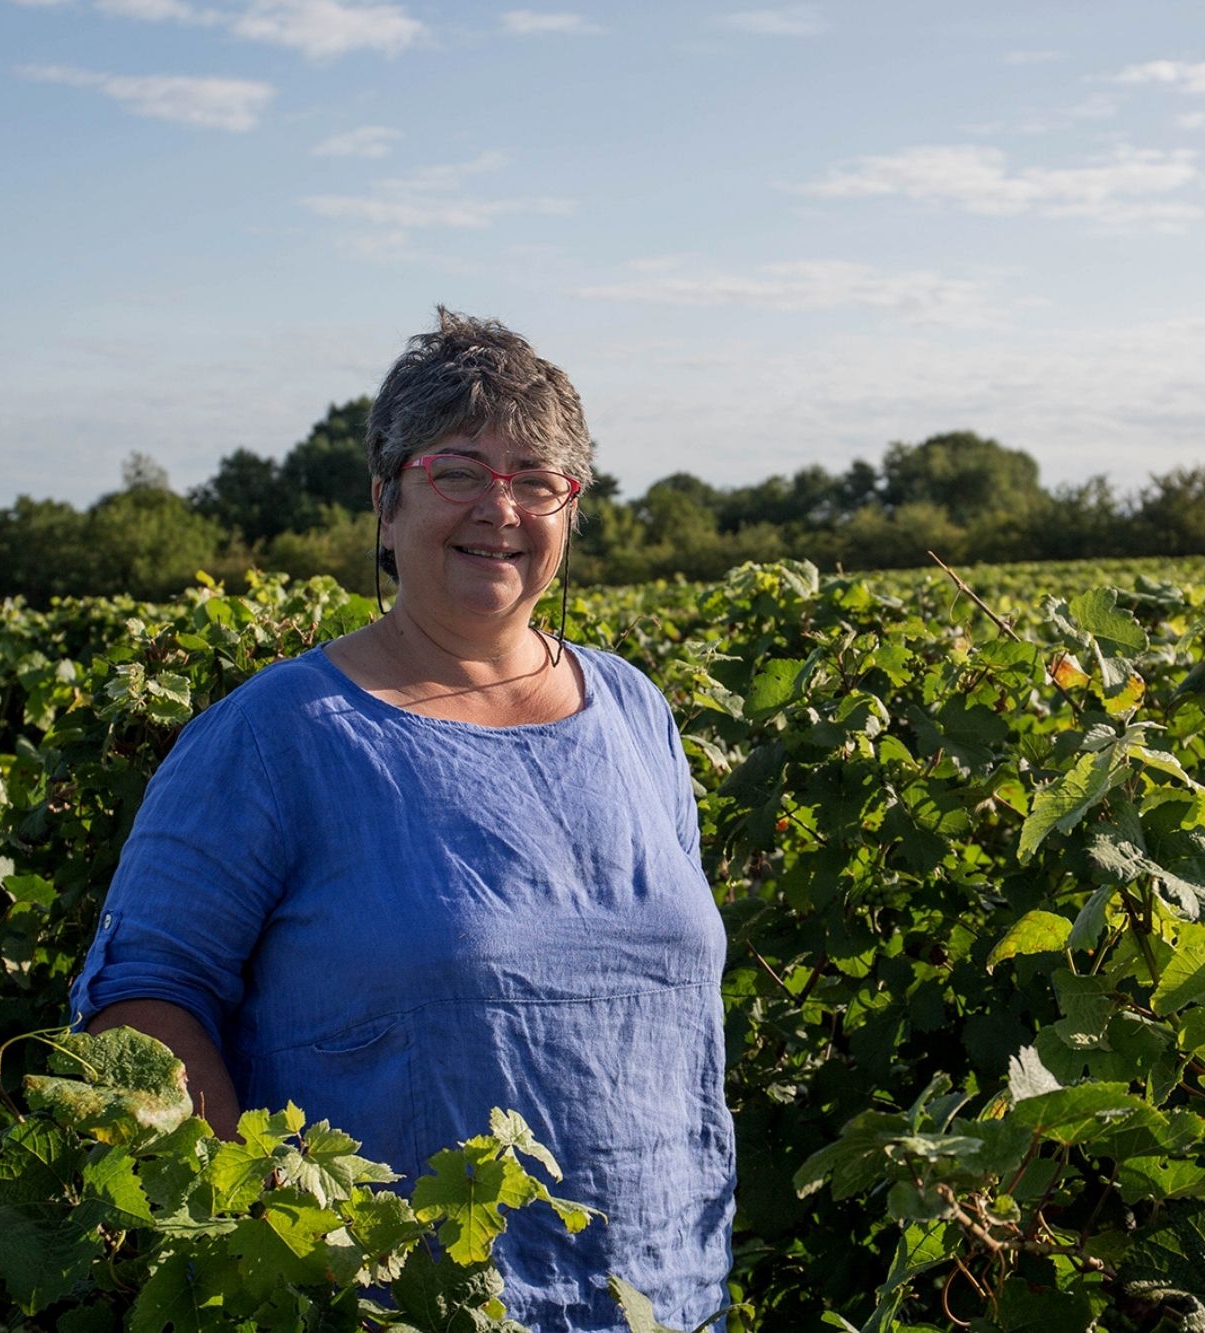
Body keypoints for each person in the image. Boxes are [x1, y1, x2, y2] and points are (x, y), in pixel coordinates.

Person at [69, 309, 735, 1330]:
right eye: (457, 471)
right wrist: (284, 1240)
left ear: (572, 507)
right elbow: (138, 1006)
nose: (499, 508)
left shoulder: (634, 712)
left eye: (536, 478)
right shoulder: (277, 735)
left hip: (668, 1304)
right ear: (385, 504)